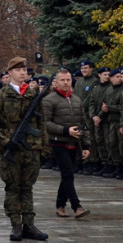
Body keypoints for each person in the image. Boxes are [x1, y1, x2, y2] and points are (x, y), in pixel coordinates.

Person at [0, 56, 49, 242]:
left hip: (30, 149)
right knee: (12, 187)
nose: (22, 73)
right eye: (18, 70)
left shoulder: (32, 95)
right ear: (9, 73)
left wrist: (44, 147)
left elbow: (41, 122)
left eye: (24, 70)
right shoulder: (1, 96)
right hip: (11, 150)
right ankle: (15, 225)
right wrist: (3, 141)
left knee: (27, 187)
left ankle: (29, 224)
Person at [43, 69, 90, 218]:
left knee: (67, 175)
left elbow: (83, 123)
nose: (65, 83)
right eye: (62, 80)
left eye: (68, 80)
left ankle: (60, 205)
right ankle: (77, 207)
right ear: (56, 82)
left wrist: (86, 146)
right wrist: (65, 130)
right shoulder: (49, 100)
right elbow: (46, 123)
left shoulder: (76, 100)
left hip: (74, 142)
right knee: (68, 174)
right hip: (58, 142)